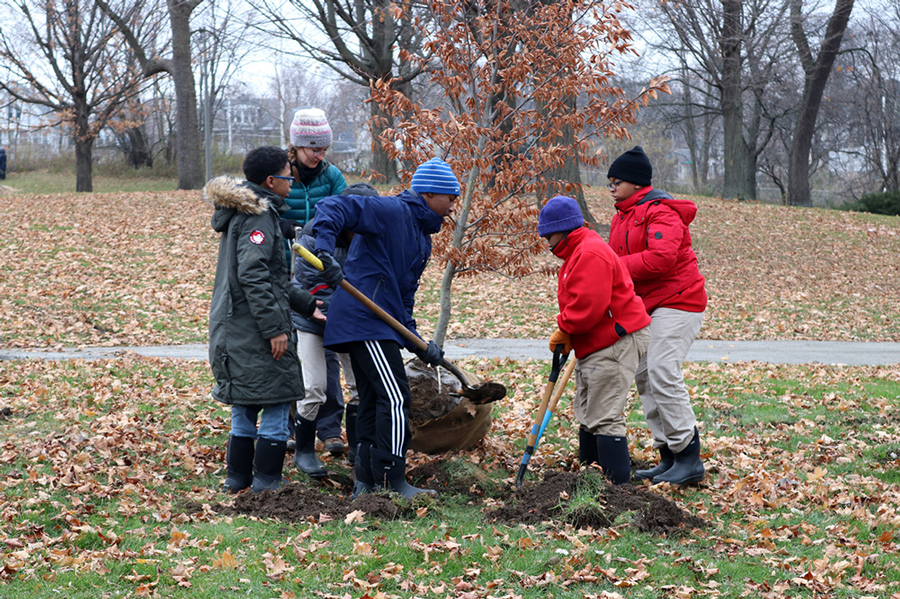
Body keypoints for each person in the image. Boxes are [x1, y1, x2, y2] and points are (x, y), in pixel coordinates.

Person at [311, 157, 458, 499]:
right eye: (450, 196)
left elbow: (401, 299)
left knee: (374, 399)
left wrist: (419, 343)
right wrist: (324, 250)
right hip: (364, 319)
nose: (454, 204)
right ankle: (393, 480)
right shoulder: (391, 211)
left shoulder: (422, 237)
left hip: (381, 322)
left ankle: (366, 481)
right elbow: (333, 206)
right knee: (395, 397)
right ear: (430, 193)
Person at [206, 145, 323, 494]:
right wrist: (275, 329)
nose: (293, 180)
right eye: (289, 173)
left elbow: (270, 278)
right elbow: (254, 275)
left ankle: (237, 478)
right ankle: (267, 481)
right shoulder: (258, 217)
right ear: (271, 181)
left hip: (234, 325)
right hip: (254, 327)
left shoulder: (245, 212)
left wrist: (306, 304)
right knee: (273, 399)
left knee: (244, 403)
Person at [607, 145, 708, 486]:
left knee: (663, 369)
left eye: (616, 180)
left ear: (636, 183)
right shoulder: (622, 216)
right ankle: (669, 455)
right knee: (645, 376)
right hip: (650, 305)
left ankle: (689, 457)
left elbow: (660, 259)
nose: (610, 185)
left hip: (680, 301)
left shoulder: (661, 212)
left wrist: (612, 267)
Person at [539, 195, 651, 485]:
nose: (547, 243)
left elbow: (589, 306)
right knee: (588, 411)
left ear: (563, 229)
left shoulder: (589, 253)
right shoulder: (578, 251)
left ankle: (617, 491)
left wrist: (565, 328)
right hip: (598, 342)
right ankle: (591, 479)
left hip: (616, 341)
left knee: (604, 414)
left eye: (548, 235)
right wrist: (570, 333)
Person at [290, 183, 379, 478]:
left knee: (359, 386)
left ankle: (357, 448)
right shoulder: (315, 234)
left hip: (354, 322)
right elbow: (308, 281)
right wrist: (334, 311)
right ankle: (303, 451)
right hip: (314, 320)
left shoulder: (373, 235)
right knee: (314, 387)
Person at [281, 107, 349, 458]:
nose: (319, 156)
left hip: (324, 269)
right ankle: (291, 425)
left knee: (328, 349)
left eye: (323, 149)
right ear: (297, 146)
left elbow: (347, 214)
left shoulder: (332, 176)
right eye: (313, 149)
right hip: (286, 272)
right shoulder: (280, 175)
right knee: (293, 352)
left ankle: (330, 429)